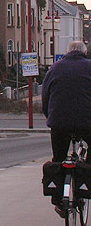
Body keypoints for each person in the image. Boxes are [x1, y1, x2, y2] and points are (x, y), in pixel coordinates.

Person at [41, 40, 91, 214]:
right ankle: (86, 182)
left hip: (58, 123)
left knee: (59, 158)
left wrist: (51, 117)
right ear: (85, 53)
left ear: (67, 52)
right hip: (87, 123)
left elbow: (45, 97)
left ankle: (58, 200)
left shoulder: (54, 69)